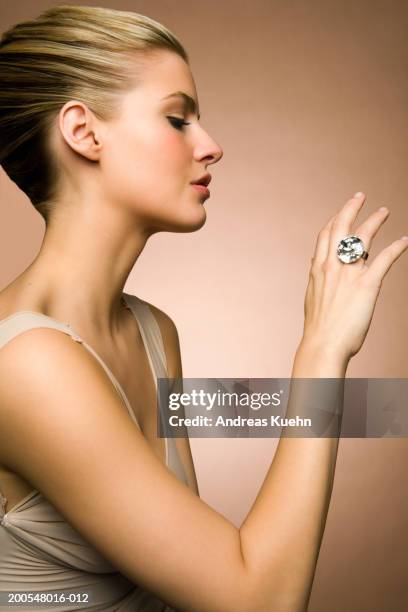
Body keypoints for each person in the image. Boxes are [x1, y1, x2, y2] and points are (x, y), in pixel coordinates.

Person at [0, 5, 406, 612]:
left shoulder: (152, 331)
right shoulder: (28, 365)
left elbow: (196, 574)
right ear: (84, 132)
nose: (211, 146)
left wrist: (382, 403)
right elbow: (257, 599)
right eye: (177, 119)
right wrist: (322, 349)